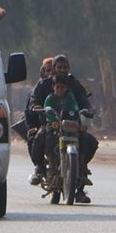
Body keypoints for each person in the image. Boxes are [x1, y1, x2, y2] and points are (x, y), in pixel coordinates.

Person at [28, 55, 99, 191]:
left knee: (90, 141)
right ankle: (40, 168)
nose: (62, 70)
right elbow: (34, 101)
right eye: (59, 67)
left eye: (65, 67)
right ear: (54, 68)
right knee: (39, 138)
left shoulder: (75, 84)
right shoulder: (43, 84)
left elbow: (84, 101)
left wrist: (88, 109)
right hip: (50, 124)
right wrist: (36, 106)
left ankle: (81, 174)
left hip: (72, 124)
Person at [43, 75, 90, 203]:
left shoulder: (70, 98)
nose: (60, 90)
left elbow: (75, 110)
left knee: (85, 138)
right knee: (48, 139)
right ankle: (52, 164)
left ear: (66, 88)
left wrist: (80, 123)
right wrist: (53, 121)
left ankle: (82, 164)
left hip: (70, 126)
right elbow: (48, 111)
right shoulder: (50, 98)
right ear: (53, 87)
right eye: (57, 87)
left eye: (62, 87)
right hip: (54, 127)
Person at [25, 58, 53, 184]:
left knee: (88, 140)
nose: (51, 74)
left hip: (66, 124)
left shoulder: (70, 82)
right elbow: (30, 109)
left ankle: (81, 171)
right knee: (34, 138)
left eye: (54, 70)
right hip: (44, 124)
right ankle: (40, 167)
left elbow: (81, 99)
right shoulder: (40, 86)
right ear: (43, 72)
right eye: (48, 70)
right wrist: (31, 126)